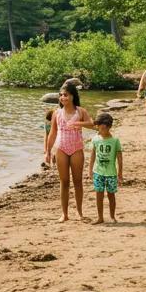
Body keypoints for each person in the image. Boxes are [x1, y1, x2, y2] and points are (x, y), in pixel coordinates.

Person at [44, 84, 95, 221]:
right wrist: (48, 151)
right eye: (61, 95)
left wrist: (79, 124)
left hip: (77, 148)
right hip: (61, 148)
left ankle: (79, 213)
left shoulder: (80, 111)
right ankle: (64, 214)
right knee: (64, 182)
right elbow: (53, 133)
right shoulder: (56, 113)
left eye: (65, 95)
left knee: (78, 181)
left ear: (72, 96)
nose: (62, 97)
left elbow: (92, 124)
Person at [87, 112, 123, 224]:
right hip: (98, 172)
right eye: (97, 126)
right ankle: (100, 217)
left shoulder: (115, 140)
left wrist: (120, 173)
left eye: (100, 126)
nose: (98, 128)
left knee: (111, 195)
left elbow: (119, 158)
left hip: (111, 173)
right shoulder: (95, 139)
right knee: (99, 195)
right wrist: (90, 170)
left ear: (107, 126)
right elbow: (92, 155)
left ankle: (112, 216)